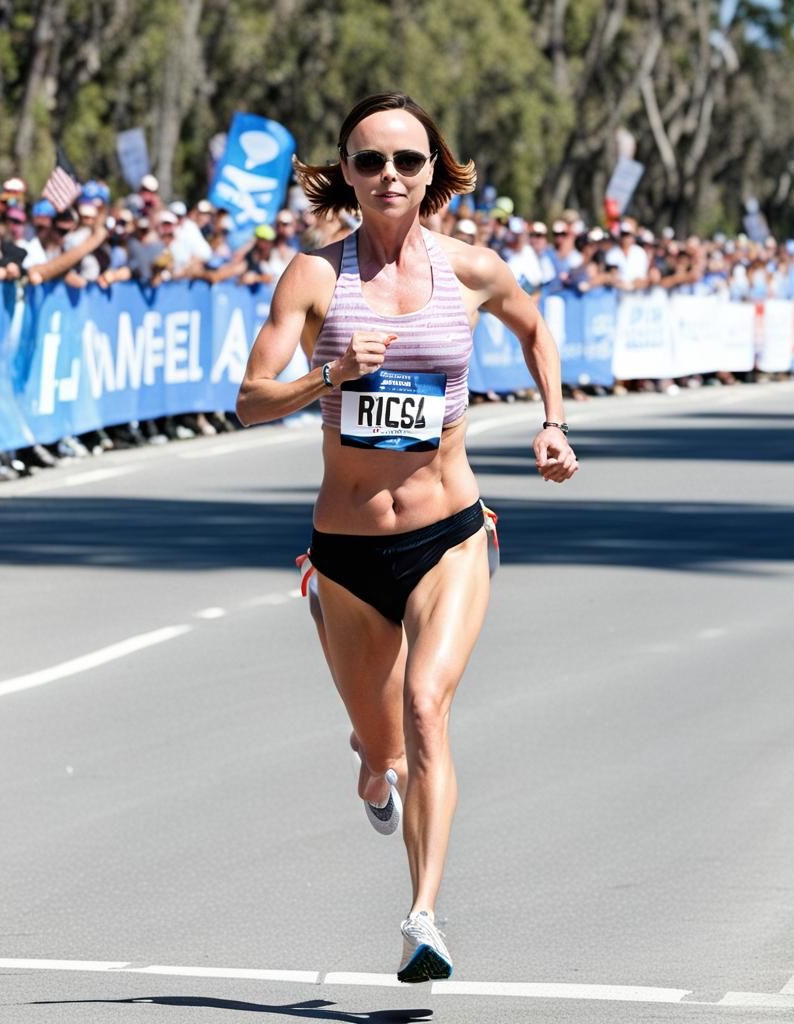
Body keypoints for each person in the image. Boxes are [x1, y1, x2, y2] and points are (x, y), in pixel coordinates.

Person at [235, 92, 577, 983]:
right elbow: (247, 399)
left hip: (448, 535)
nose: (390, 176)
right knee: (383, 745)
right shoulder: (314, 277)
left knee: (428, 708)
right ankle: (371, 764)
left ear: (435, 174)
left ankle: (422, 915)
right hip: (345, 554)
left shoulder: (472, 270)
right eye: (371, 160)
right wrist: (329, 374)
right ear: (345, 173)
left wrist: (554, 423)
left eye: (408, 162)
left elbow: (537, 329)